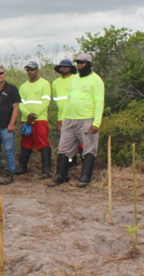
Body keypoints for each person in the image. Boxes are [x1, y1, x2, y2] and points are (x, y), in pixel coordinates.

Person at [49, 54, 105, 188]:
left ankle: (85, 176)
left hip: (86, 119)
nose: (79, 64)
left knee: (89, 148)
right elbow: (69, 99)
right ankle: (61, 175)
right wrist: (62, 118)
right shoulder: (74, 79)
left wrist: (96, 122)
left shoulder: (96, 80)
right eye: (77, 62)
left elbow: (99, 101)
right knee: (64, 148)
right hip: (69, 119)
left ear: (89, 64)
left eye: (82, 62)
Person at [16, 61, 52, 178]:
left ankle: (46, 169)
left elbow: (46, 101)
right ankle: (22, 167)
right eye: (28, 70)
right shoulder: (23, 86)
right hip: (26, 120)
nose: (30, 72)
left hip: (40, 119)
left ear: (37, 70)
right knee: (26, 142)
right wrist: (27, 114)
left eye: (32, 69)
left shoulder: (44, 84)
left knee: (43, 142)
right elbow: (20, 103)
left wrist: (34, 114)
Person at [51, 58, 80, 168]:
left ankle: (81, 166)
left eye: (66, 66)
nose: (63, 68)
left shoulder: (76, 79)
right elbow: (57, 101)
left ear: (71, 68)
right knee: (66, 143)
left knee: (81, 142)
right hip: (62, 116)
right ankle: (70, 165)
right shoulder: (55, 83)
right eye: (61, 66)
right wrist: (60, 119)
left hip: (77, 115)